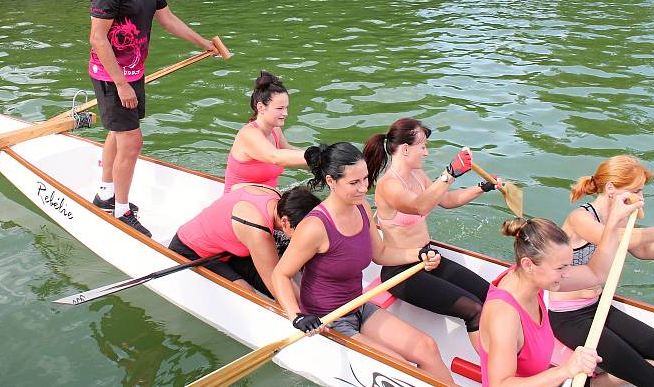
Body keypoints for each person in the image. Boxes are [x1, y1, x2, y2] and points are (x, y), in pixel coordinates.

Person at [271, 142, 457, 386]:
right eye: (354, 183)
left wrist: (418, 254)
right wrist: (297, 317)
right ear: (331, 181)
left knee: (427, 346)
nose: (364, 188)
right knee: (401, 370)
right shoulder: (314, 227)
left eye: (366, 179)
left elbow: (380, 253)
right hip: (328, 319)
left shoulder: (361, 207)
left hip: (358, 304)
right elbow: (280, 275)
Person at [88, 0, 223, 237]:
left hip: (135, 71)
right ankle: (121, 211)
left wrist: (202, 42)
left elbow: (167, 18)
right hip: (112, 76)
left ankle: (105, 193)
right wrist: (121, 84)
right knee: (133, 143)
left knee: (117, 134)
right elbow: (97, 38)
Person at [479, 192, 643, 387]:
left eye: (568, 265)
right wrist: (566, 370)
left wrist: (614, 220)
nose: (567, 274)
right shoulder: (505, 314)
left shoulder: (531, 279)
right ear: (528, 264)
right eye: (560, 268)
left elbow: (595, 273)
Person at [363, 117, 495, 353]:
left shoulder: (417, 175)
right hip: (402, 269)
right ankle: (495, 374)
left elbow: (446, 200)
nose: (426, 152)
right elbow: (419, 206)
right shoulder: (388, 185)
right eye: (422, 146)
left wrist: (482, 187)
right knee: (474, 309)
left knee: (492, 296)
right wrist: (449, 173)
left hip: (429, 259)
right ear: (405, 149)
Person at [548, 155, 654, 386]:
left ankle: (593, 383)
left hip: (597, 306)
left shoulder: (619, 218)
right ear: (611, 188)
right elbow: (610, 238)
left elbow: (642, 250)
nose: (641, 198)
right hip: (568, 318)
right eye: (636, 191)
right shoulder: (580, 218)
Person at [169, 185, 321, 297]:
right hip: (192, 251)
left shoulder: (275, 195)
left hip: (230, 250)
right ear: (285, 222)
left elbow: (236, 186)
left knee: (299, 287)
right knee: (248, 294)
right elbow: (276, 284)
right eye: (302, 232)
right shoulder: (257, 231)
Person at [223, 71, 307, 193]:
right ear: (261, 107)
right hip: (240, 203)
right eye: (280, 108)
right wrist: (316, 156)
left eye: (286, 107)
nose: (285, 113)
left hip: (265, 196)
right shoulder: (249, 134)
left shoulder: (275, 129)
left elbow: (288, 150)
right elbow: (275, 156)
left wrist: (322, 161)